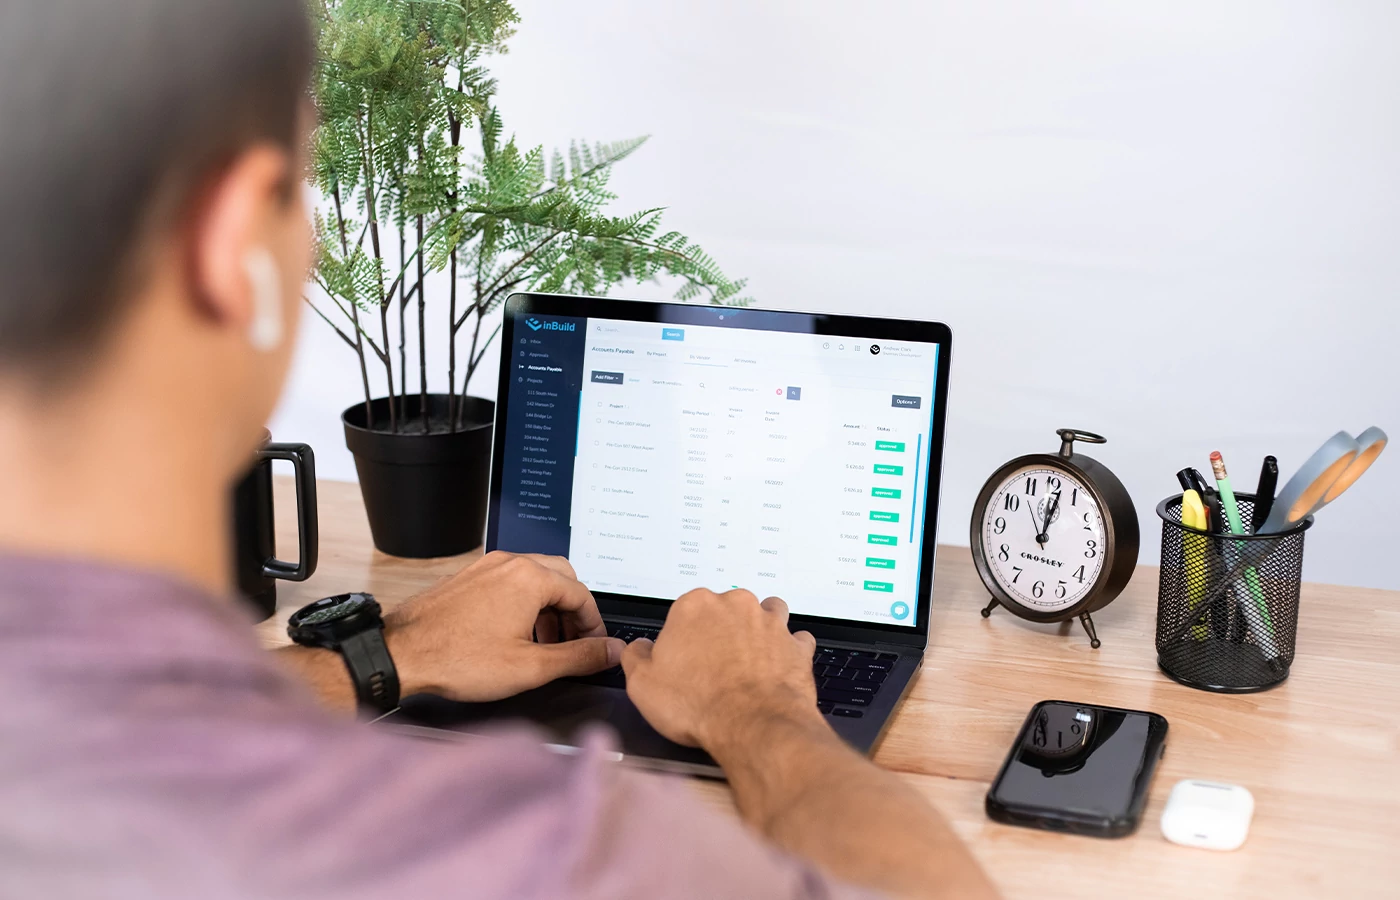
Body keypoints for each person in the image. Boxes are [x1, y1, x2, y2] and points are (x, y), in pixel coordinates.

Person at [0, 2, 996, 898]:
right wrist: (752, 709)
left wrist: (387, 656)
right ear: (228, 246)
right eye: (299, 192)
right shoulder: (519, 852)